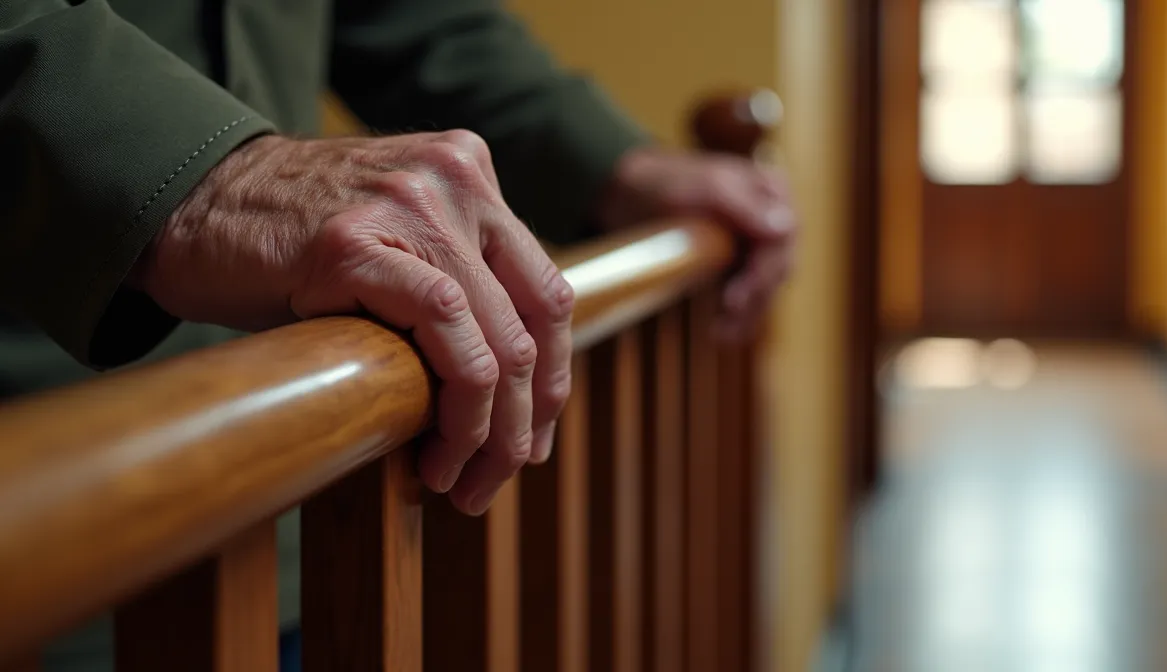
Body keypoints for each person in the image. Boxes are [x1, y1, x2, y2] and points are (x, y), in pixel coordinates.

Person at [2, 0, 795, 668]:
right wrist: (190, 175)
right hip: (47, 515)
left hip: (292, 501)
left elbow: (405, 14)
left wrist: (614, 166)